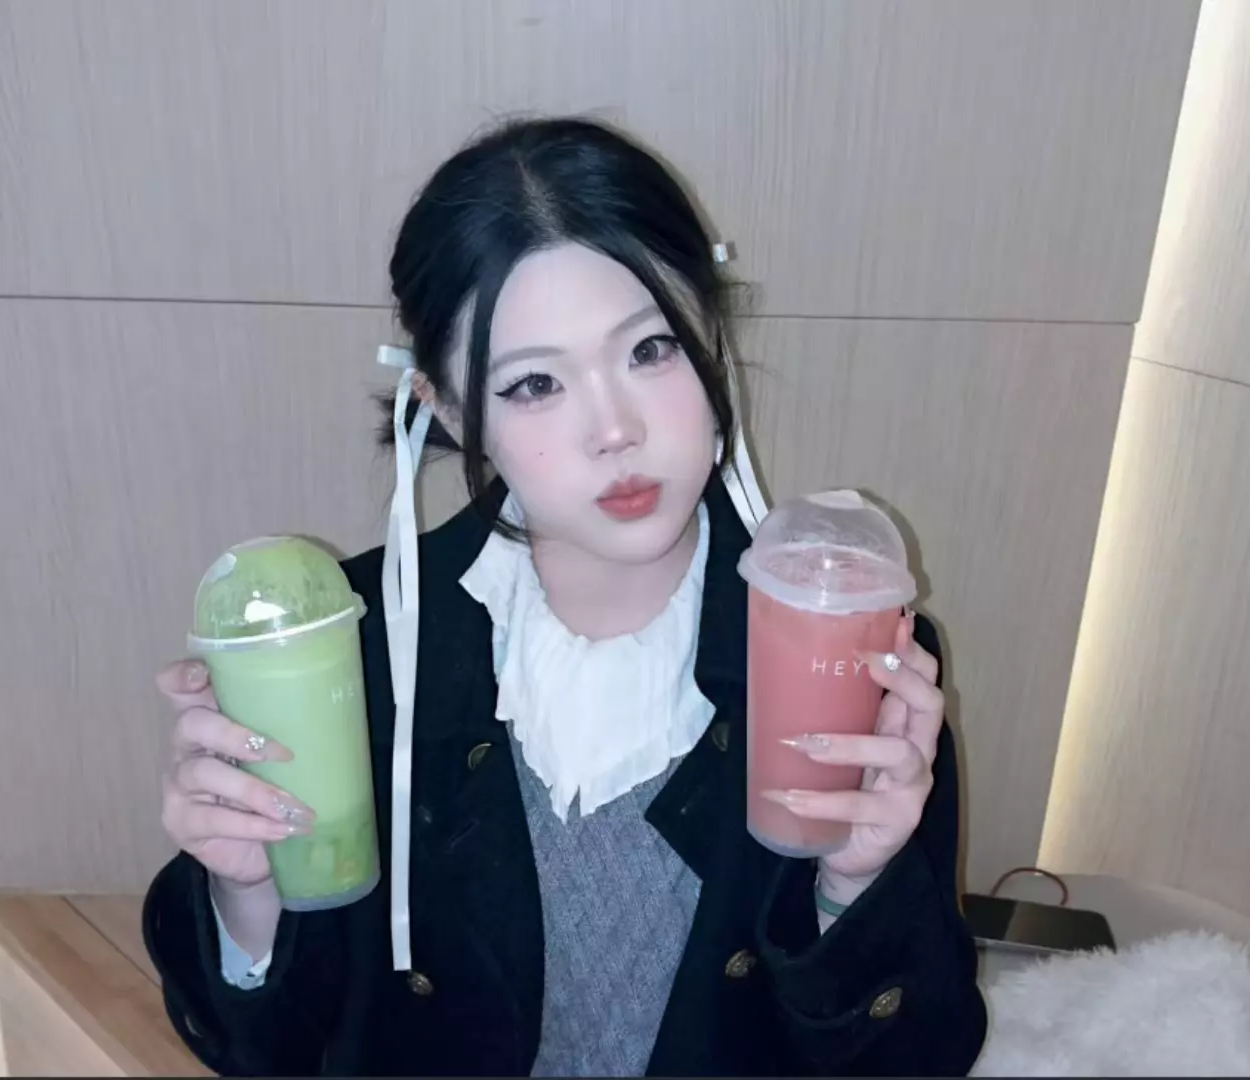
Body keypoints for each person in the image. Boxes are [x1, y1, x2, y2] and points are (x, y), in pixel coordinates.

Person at [144, 116, 988, 1076]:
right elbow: (275, 1052)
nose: (614, 429)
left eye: (652, 349)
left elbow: (920, 1057)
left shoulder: (842, 641)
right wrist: (249, 893)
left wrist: (857, 889)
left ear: (711, 336)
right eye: (536, 383)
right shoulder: (359, 644)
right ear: (449, 409)